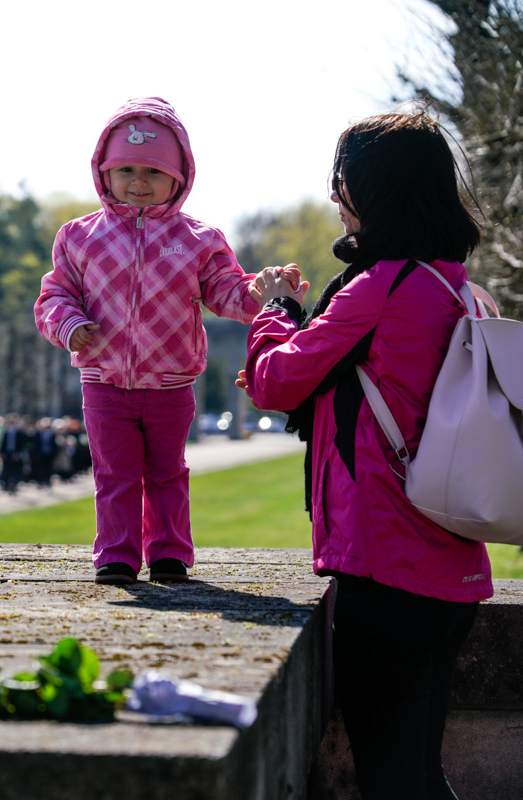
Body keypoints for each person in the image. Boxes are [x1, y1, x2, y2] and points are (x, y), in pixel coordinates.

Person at [242, 108, 492, 799]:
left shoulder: (377, 289)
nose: (334, 195)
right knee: (417, 777)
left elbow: (272, 380)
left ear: (375, 191)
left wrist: (271, 311)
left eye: (341, 180)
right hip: (453, 568)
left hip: (384, 569)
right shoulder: (457, 287)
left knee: (390, 783)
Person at [35, 96, 274, 585]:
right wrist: (68, 323)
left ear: (179, 179)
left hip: (171, 381)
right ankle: (117, 554)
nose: (138, 183)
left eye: (152, 172)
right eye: (125, 169)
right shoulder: (79, 237)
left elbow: (225, 294)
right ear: (104, 172)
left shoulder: (199, 239)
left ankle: (168, 553)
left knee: (168, 471)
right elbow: (53, 295)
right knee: (115, 473)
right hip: (104, 380)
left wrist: (259, 294)